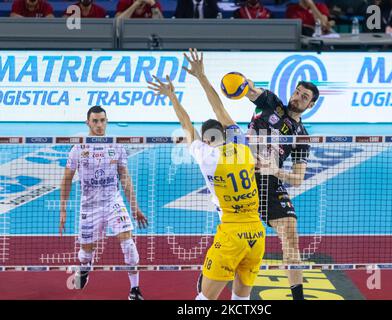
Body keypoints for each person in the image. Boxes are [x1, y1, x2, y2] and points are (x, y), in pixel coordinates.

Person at [147, 49, 265, 300]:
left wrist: (172, 97)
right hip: (257, 233)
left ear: (207, 139)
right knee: (242, 300)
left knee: (204, 299)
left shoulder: (206, 156)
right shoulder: (244, 146)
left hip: (231, 234)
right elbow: (220, 108)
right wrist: (201, 77)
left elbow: (186, 126)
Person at [59, 106, 148, 300]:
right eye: (95, 121)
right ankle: (84, 269)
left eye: (102, 120)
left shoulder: (116, 146)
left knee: (129, 245)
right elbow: (66, 179)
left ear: (106, 121)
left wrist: (134, 207)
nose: (99, 125)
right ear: (88, 123)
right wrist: (63, 209)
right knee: (85, 253)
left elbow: (124, 177)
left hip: (112, 201)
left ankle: (135, 289)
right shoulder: (78, 148)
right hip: (89, 207)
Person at [243, 78, 319, 300]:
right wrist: (243, 83)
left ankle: (298, 299)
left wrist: (274, 170)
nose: (297, 97)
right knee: (239, 242)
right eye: (297, 92)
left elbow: (297, 179)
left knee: (290, 233)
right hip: (243, 176)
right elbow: (249, 90)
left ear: (311, 104)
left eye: (304, 97)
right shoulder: (270, 103)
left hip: (270, 181)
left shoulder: (302, 135)